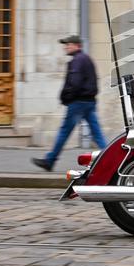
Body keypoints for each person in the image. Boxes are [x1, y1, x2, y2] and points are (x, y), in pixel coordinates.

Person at [32, 35, 108, 171]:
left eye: (68, 44)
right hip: (89, 102)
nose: (66, 47)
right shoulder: (86, 59)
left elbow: (74, 83)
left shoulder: (77, 60)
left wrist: (65, 97)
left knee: (64, 132)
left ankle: (50, 161)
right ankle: (111, 159)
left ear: (77, 46)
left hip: (78, 102)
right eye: (66, 44)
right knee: (96, 132)